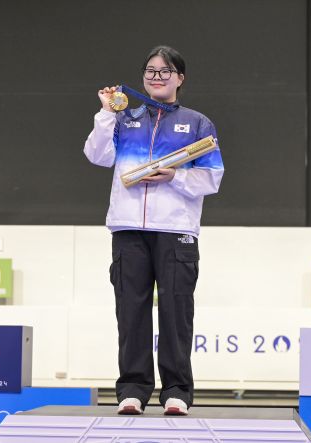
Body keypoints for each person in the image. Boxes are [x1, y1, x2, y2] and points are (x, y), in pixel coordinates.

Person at [84, 45, 224, 416]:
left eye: (165, 71)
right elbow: (97, 156)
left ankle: (177, 391)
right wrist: (104, 112)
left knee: (177, 311)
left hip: (177, 230)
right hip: (128, 228)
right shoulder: (124, 119)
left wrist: (174, 176)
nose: (156, 77)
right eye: (150, 71)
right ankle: (133, 389)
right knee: (130, 310)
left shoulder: (197, 123)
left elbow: (212, 178)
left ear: (180, 78)